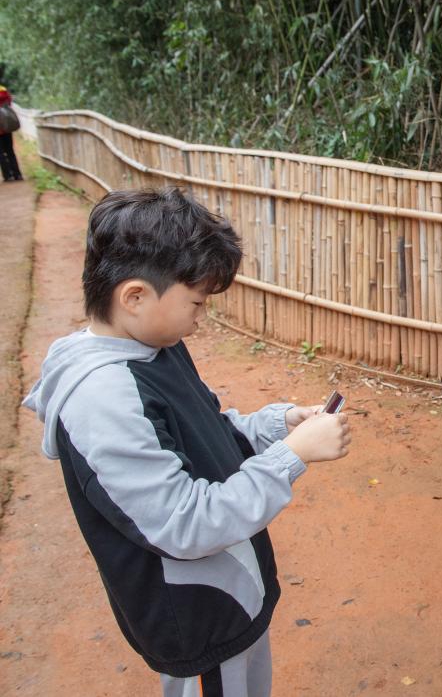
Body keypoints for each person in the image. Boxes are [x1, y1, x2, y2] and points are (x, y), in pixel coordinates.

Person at [22, 187, 352, 697]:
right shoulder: (104, 399)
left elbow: (206, 430)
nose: (202, 318)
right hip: (199, 608)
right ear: (134, 296)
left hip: (226, 583)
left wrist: (278, 425)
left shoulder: (153, 346)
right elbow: (184, 523)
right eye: (196, 302)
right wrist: (293, 456)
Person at [0, 86, 23, 181]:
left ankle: (8, 175)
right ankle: (17, 174)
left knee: (0, 153)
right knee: (10, 150)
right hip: (6, 125)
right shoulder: (3, 90)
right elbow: (9, 103)